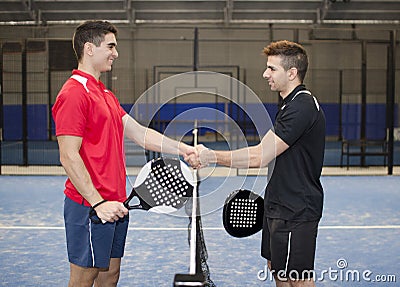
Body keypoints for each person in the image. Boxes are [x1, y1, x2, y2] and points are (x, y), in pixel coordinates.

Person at [52, 20, 196, 287]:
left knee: (110, 275)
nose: (115, 53)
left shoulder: (104, 93)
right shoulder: (74, 93)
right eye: (111, 46)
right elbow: (68, 155)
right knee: (84, 278)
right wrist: (98, 203)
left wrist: (183, 149)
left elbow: (139, 133)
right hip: (89, 206)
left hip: (117, 204)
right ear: (89, 48)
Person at [186, 40, 325, 287]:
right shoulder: (288, 103)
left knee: (298, 279)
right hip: (277, 205)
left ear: (292, 73)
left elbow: (260, 156)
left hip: (297, 209)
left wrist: (211, 156)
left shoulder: (301, 106)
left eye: (272, 68)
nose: (265, 74)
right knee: (278, 271)